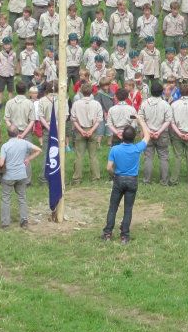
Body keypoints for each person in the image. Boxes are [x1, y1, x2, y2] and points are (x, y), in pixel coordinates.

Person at [103, 115, 150, 244]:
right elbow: (147, 135)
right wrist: (140, 119)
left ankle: (107, 233)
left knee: (113, 207)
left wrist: (114, 175)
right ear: (134, 138)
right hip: (132, 181)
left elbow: (108, 167)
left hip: (118, 179)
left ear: (121, 136)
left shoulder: (114, 149)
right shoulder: (137, 148)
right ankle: (124, 236)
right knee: (128, 209)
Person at [0, 126, 42, 229]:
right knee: (22, 198)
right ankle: (24, 221)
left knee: (6, 198)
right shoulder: (24, 143)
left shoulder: (5, 146)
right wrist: (28, 159)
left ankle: (5, 223)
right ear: (18, 133)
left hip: (8, 176)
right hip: (22, 175)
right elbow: (39, 150)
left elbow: (1, 163)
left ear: (8, 134)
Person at [139, 82, 172, 185]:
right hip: (161, 134)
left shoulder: (144, 103)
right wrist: (158, 131)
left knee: (148, 157)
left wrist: (148, 131)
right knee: (163, 157)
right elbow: (168, 120)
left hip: (148, 133)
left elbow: (140, 118)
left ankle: (146, 180)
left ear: (151, 91)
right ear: (162, 92)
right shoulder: (165, 104)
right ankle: (164, 181)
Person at [70, 83, 104, 183]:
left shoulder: (76, 104)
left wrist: (81, 130)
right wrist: (91, 130)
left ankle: (77, 179)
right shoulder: (96, 104)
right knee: (93, 156)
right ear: (92, 92)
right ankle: (95, 178)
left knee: (79, 156)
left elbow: (73, 119)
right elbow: (99, 120)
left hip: (80, 130)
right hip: (92, 130)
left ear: (80, 91)